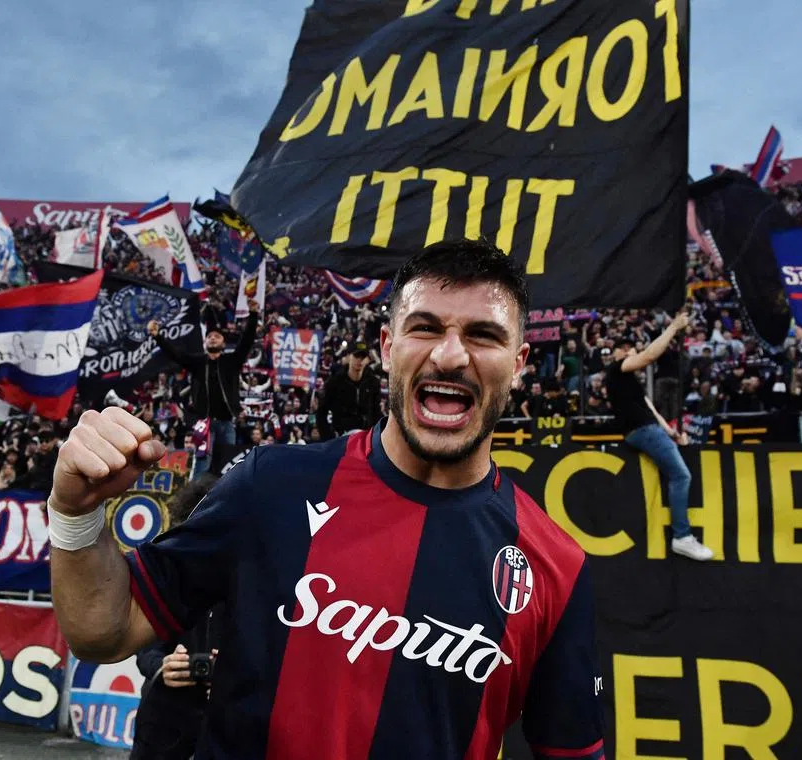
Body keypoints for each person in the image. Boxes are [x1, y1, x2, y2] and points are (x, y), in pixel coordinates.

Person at [48, 239, 603, 760]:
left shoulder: (557, 567)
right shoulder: (268, 485)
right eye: (425, 327)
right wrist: (75, 513)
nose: (451, 355)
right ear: (387, 347)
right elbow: (103, 630)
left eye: (483, 335)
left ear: (520, 363)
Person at [606, 312, 714, 561]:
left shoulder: (629, 382)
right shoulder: (616, 369)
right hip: (643, 430)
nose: (629, 351)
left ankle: (682, 536)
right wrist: (673, 327)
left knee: (675, 474)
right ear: (617, 353)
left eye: (630, 347)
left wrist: (671, 433)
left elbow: (652, 410)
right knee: (681, 475)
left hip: (647, 429)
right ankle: (682, 536)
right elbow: (649, 356)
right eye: (624, 348)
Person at [131, 474, 222, 760]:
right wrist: (164, 666)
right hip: (165, 717)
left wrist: (233, 673)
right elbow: (144, 649)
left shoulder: (251, 583)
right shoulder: (169, 576)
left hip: (223, 718)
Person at [148, 301, 259, 464]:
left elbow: (247, 340)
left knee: (227, 465)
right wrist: (157, 336)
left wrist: (254, 314)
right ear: (205, 342)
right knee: (203, 464)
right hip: (204, 423)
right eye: (209, 337)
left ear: (223, 343)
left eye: (217, 337)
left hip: (227, 422)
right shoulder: (197, 362)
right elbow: (175, 354)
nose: (213, 338)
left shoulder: (232, 361)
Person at [316, 340, 381, 438]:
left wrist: (376, 436)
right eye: (356, 356)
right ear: (349, 356)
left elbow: (376, 412)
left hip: (367, 437)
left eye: (363, 357)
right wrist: (328, 437)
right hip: (341, 436)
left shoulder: (373, 383)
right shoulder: (335, 382)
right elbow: (321, 412)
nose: (359, 360)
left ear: (368, 360)